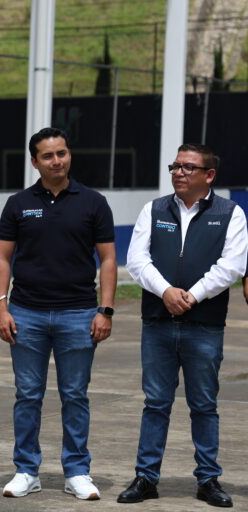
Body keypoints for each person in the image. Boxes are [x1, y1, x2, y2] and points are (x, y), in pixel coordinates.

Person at [119, 143, 246, 508]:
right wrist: (167, 292)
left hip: (204, 325)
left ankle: (208, 480)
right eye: (175, 166)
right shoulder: (154, 208)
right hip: (158, 322)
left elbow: (233, 265)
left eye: (188, 168)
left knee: (204, 405)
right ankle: (146, 478)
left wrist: (191, 295)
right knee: (155, 403)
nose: (179, 172)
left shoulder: (230, 213)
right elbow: (137, 261)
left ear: (209, 175)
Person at [0, 127, 117, 501]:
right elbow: (1, 258)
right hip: (26, 313)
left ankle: (77, 471)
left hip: (79, 314)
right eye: (48, 156)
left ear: (69, 156)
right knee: (28, 395)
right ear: (35, 161)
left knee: (75, 395)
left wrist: (105, 310)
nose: (56, 160)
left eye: (61, 153)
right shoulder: (18, 203)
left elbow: (109, 259)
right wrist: (0, 306)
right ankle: (26, 470)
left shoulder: (93, 202)